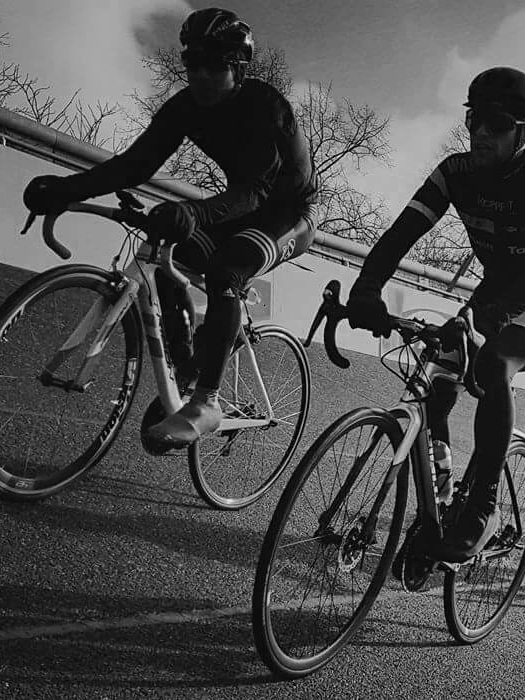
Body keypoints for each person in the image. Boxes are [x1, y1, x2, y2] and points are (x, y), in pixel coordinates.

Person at [22, 8, 318, 450]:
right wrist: (68, 189)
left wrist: (196, 213)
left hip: (289, 215)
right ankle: (188, 367)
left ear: (237, 66)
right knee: (166, 251)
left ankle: (206, 402)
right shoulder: (185, 106)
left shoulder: (264, 106)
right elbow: (135, 165)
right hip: (243, 205)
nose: (199, 74)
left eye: (212, 64)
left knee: (226, 271)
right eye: (191, 62)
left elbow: (257, 191)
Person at [347, 66, 525, 565]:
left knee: (494, 363)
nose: (479, 133)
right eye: (474, 120)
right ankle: (445, 489)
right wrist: (367, 287)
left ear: (524, 131)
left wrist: (492, 319)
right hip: (495, 291)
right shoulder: (455, 172)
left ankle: (485, 503)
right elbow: (400, 233)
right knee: (438, 378)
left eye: (494, 124)